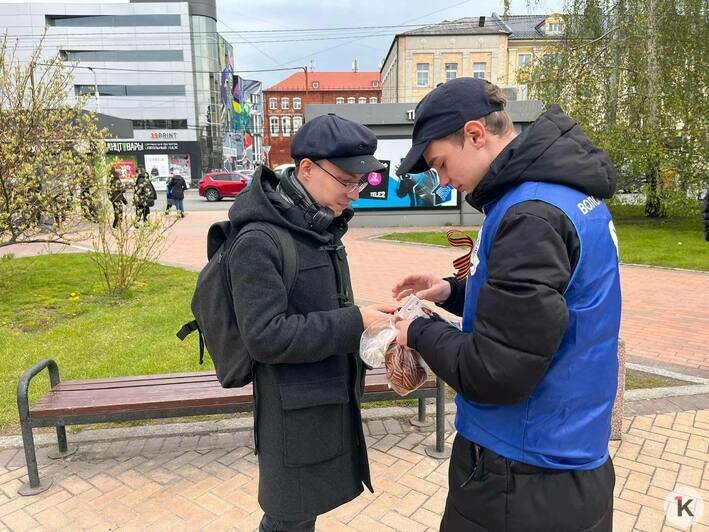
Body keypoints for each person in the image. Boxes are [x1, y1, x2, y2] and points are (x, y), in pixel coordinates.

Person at [391, 77, 621, 531]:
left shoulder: (529, 215)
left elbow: (495, 371)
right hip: (565, 457)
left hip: (520, 475)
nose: (443, 180)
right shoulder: (561, 195)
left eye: (440, 163)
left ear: (475, 135)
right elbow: (542, 304)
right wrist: (450, 289)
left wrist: (416, 330)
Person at [229, 114, 394, 532]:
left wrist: (369, 320)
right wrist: (354, 322)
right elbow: (265, 337)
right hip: (292, 416)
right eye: (346, 181)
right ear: (306, 169)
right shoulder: (260, 240)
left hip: (324, 402)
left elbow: (324, 306)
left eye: (360, 183)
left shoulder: (316, 226)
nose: (354, 195)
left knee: (301, 516)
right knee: (287, 518)